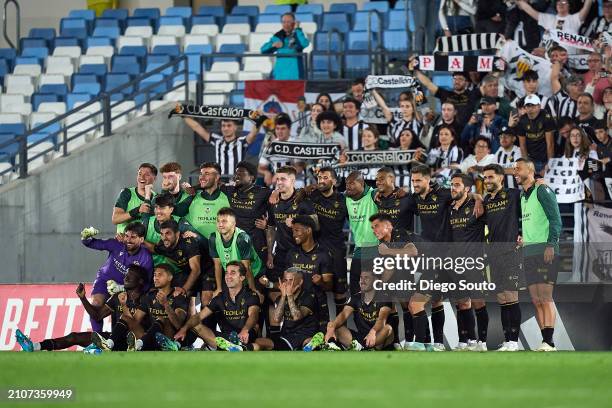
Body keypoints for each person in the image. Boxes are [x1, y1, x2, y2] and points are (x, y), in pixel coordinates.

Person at [15, 265, 149, 352]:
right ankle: (36, 346)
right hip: (114, 339)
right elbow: (97, 316)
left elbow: (134, 323)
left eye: (131, 275)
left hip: (133, 343)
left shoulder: (145, 299)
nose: (126, 277)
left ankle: (104, 346)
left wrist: (124, 304)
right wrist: (83, 298)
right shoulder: (117, 297)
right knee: (74, 337)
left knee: (122, 326)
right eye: (126, 274)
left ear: (140, 281)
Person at [514, 158, 562, 351]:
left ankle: (549, 342)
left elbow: (555, 219)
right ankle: (545, 341)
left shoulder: (542, 190)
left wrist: (551, 244)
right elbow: (531, 222)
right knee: (535, 299)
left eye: (518, 168)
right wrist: (523, 237)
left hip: (545, 250)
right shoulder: (522, 195)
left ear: (530, 170)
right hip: (528, 251)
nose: (515, 172)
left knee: (545, 296)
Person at [81, 222, 153, 333]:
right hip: (104, 280)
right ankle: (97, 340)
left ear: (141, 240)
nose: (128, 240)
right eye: (127, 236)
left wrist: (122, 288)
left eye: (133, 237)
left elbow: (146, 284)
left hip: (126, 289)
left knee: (120, 318)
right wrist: (85, 237)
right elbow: (92, 243)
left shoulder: (146, 258)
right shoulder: (116, 244)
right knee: (96, 304)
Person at [173, 261, 261, 351]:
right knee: (195, 325)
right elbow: (199, 316)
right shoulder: (220, 297)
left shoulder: (250, 295)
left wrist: (245, 330)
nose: (228, 276)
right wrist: (183, 329)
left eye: (233, 273)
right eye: (226, 273)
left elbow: (253, 315)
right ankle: (177, 345)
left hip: (244, 337)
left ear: (242, 277)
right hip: (225, 339)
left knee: (257, 344)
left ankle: (237, 347)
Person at [482, 164, 523, 351]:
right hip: (493, 254)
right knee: (501, 298)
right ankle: (507, 340)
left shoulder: (514, 194)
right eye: (485, 178)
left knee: (511, 295)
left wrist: (523, 233)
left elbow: (529, 213)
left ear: (500, 178)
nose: (487, 181)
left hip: (510, 251)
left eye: (490, 177)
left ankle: (514, 341)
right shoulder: (486, 200)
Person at [447, 173, 488, 352]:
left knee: (478, 302)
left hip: (474, 262)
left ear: (467, 189)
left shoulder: (476, 206)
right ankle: (467, 341)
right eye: (452, 184)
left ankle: (483, 342)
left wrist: (478, 198)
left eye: (457, 185)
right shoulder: (449, 207)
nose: (453, 188)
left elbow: (492, 224)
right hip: (455, 263)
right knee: (462, 303)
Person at [302, 167, 349, 316]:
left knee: (339, 292)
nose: (321, 180)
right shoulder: (311, 195)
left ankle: (341, 328)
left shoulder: (343, 200)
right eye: (319, 178)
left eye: (325, 177)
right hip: (316, 251)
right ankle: (319, 329)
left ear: (334, 181)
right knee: (315, 289)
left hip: (336, 250)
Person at [254, 268, 325, 351]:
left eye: (291, 280)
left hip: (305, 335)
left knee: (308, 343)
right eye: (285, 280)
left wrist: (290, 295)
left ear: (300, 282)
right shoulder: (283, 297)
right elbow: (276, 319)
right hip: (287, 336)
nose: (287, 283)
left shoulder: (309, 296)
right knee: (258, 341)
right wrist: (284, 296)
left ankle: (312, 346)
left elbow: (296, 316)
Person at [122, 264, 189, 351]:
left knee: (162, 319)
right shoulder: (149, 296)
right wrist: (124, 305)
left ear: (170, 278)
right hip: (150, 337)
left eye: (160, 275)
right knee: (125, 318)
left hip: (169, 338)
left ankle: (140, 344)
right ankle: (109, 343)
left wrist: (166, 305)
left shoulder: (179, 297)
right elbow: (135, 320)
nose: (156, 278)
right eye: (154, 275)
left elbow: (178, 325)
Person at [285, 215, 333, 333]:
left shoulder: (324, 254)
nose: (294, 234)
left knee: (318, 345)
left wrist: (321, 282)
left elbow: (330, 286)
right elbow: (286, 281)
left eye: (297, 230)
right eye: (292, 231)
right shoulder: (291, 253)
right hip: (296, 307)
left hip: (318, 308)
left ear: (308, 230)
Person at [324, 270, 394, 351]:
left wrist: (373, 332)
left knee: (388, 328)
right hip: (360, 338)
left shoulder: (384, 297)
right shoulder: (356, 297)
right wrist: (332, 327)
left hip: (377, 338)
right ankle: (334, 345)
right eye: (361, 278)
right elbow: (343, 314)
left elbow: (382, 319)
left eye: (366, 278)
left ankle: (369, 348)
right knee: (334, 325)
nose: (362, 281)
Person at [221, 161, 271, 266]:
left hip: (256, 242)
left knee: (259, 276)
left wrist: (268, 224)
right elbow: (211, 184)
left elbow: (278, 207)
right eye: (236, 173)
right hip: (236, 242)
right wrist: (193, 188)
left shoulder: (263, 192)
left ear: (251, 177)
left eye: (241, 173)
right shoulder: (229, 190)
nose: (237, 176)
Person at [410, 60, 481, 128]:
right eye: (455, 78)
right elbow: (428, 84)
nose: (457, 81)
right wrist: (415, 71)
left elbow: (488, 85)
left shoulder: (472, 94)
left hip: (467, 132)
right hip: (447, 132)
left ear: (466, 82)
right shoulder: (445, 94)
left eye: (460, 79)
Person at [209, 207, 263, 296]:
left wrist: (252, 289)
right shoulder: (213, 238)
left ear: (234, 223)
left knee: (252, 300)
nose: (220, 224)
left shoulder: (242, 238)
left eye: (224, 221)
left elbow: (247, 268)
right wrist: (219, 288)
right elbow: (217, 265)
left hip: (254, 273)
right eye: (218, 221)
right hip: (233, 274)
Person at [344, 171, 380, 296]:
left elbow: (386, 191)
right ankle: (357, 313)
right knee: (354, 285)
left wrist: (397, 190)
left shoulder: (373, 194)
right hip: (360, 247)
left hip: (376, 248)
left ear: (361, 183)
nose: (348, 186)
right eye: (346, 183)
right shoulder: (345, 198)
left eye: (352, 183)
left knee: (375, 287)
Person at [183, 118, 257, 177]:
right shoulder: (217, 140)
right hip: (221, 182)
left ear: (235, 127)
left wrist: (258, 121)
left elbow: (253, 134)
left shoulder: (241, 141)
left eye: (229, 125)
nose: (225, 128)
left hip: (237, 182)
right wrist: (183, 114)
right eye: (223, 126)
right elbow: (197, 127)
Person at [517, 0, 593, 54]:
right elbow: (529, 9)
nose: (560, 4)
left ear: (569, 5)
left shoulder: (575, 18)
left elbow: (587, 6)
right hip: (550, 60)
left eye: (563, 2)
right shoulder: (549, 19)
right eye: (558, 3)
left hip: (570, 60)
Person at [183, 162, 230, 241]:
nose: (201, 177)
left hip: (220, 249)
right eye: (201, 174)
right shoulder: (192, 195)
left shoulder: (228, 196)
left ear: (217, 177)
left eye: (207, 173)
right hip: (195, 250)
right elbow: (175, 212)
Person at [509, 94, 556, 175]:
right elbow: (522, 146)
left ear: (539, 106)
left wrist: (550, 164)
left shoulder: (546, 117)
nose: (530, 109)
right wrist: (527, 165)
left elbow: (550, 144)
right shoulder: (522, 121)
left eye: (533, 106)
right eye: (527, 106)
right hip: (531, 159)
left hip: (545, 158)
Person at [261, 12, 309, 80]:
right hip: (279, 75)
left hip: (295, 75)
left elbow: (304, 44)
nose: (286, 24)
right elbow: (263, 50)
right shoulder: (278, 36)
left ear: (294, 23)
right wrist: (272, 45)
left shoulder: (298, 34)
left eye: (289, 22)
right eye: (284, 22)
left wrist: (297, 29)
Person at [112, 163, 157, 232]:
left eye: (147, 175)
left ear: (154, 178)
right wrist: (138, 210)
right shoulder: (126, 193)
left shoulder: (156, 198)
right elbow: (115, 219)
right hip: (125, 240)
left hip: (145, 241)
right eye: (140, 174)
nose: (142, 177)